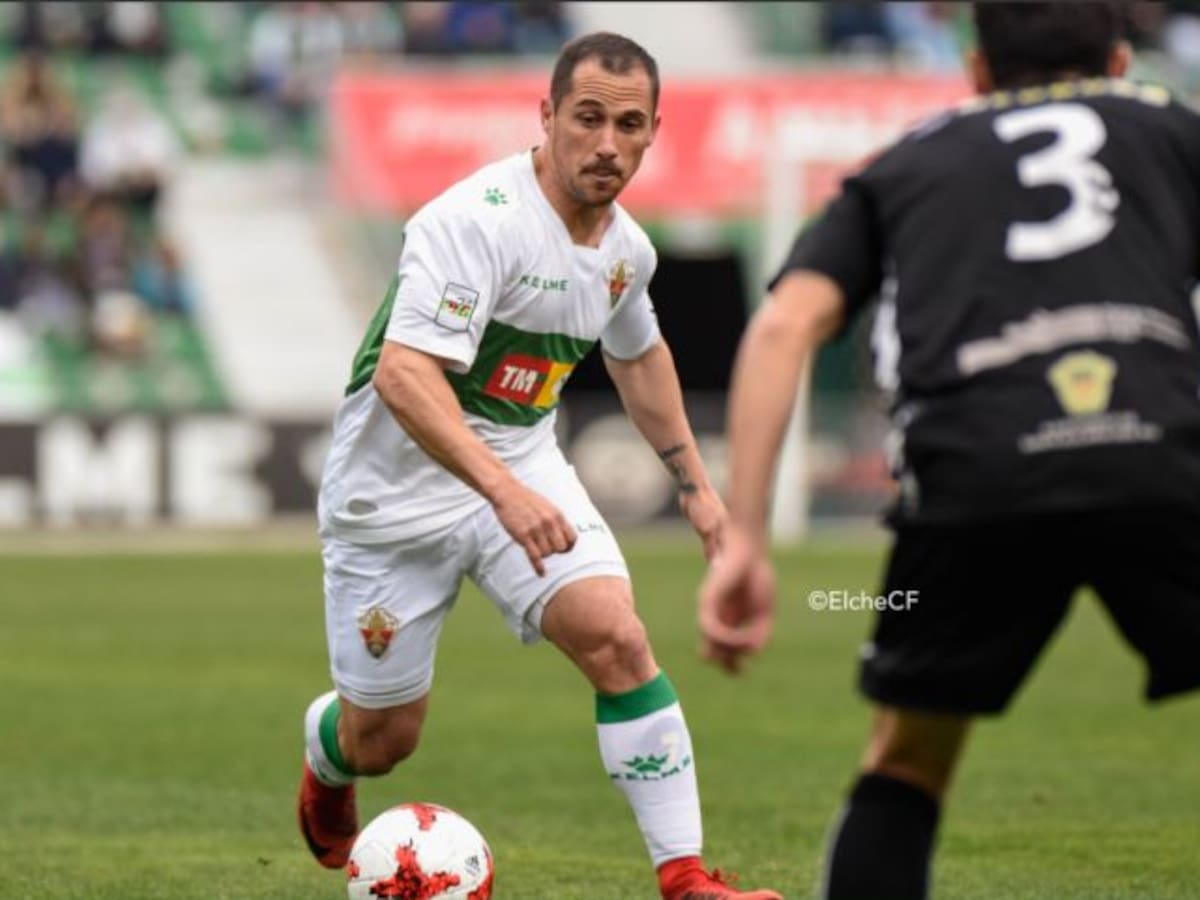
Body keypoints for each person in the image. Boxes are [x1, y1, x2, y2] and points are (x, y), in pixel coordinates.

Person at [699, 3, 1200, 899]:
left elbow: (781, 327)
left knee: (908, 758)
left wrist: (745, 539)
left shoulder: (904, 162)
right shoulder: (1171, 126)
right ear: (1121, 62)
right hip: (1162, 457)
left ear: (975, 71)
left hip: (975, 475)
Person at [299, 31, 782, 900]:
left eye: (627, 125)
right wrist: (503, 493)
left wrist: (698, 490)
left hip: (521, 465)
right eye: (587, 118)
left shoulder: (627, 251)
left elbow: (640, 358)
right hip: (393, 497)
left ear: (654, 132)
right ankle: (330, 755)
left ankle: (684, 878)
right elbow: (404, 377)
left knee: (619, 639)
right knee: (385, 740)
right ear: (547, 116)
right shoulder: (474, 221)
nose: (606, 143)